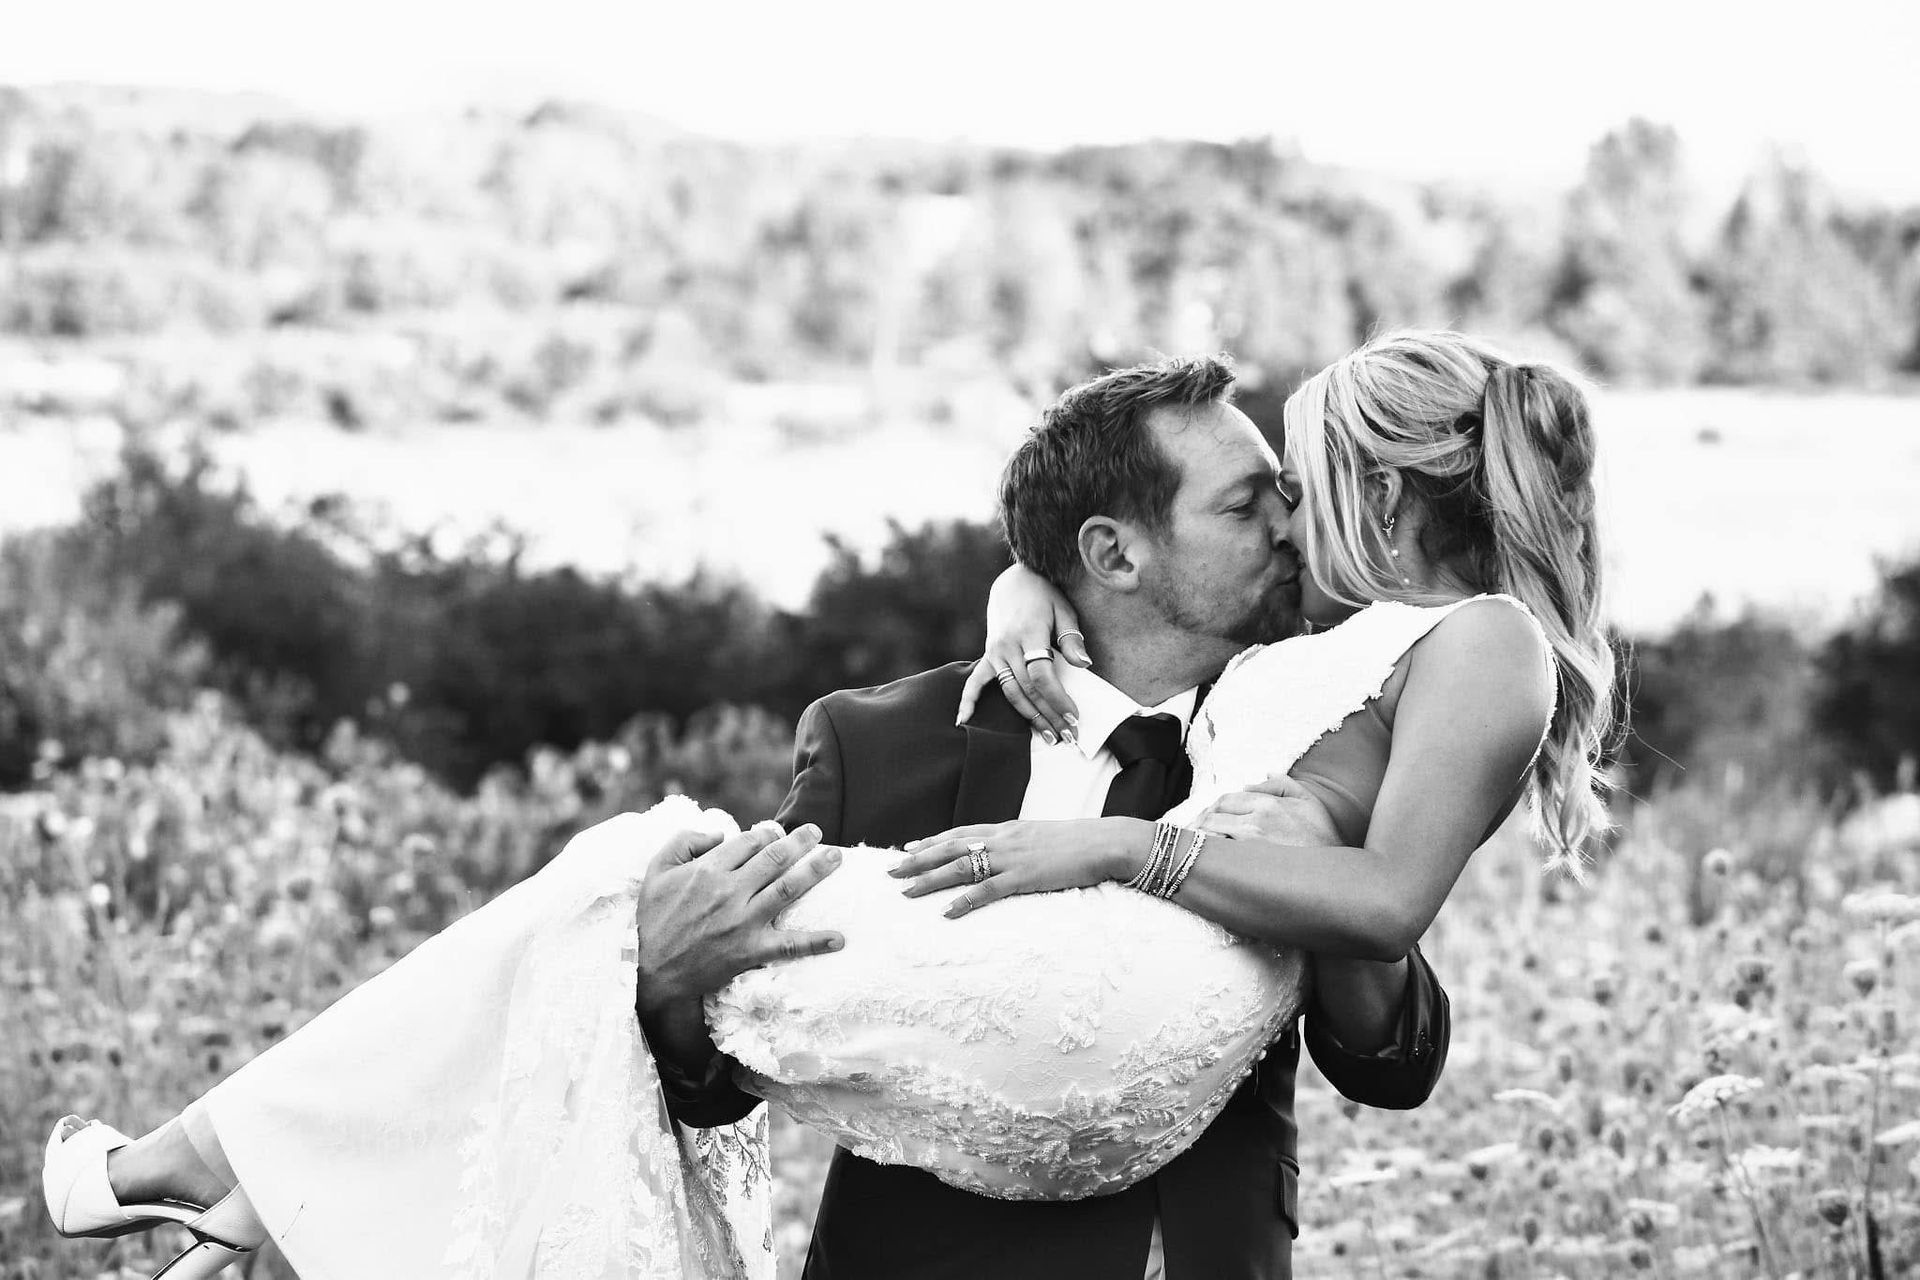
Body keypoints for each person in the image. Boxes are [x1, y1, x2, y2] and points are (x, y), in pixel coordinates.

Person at [43, 330, 1605, 1280]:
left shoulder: (1322, 672)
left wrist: (1159, 845)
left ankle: (229, 1176)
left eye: (1295, 487)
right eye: (1249, 498)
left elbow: (1384, 1045)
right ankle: (255, 1185)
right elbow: (723, 1080)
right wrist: (667, 989)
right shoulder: (889, 737)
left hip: (1180, 1264)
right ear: (1113, 557)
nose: (1284, 521)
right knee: (628, 902)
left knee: (601, 874)